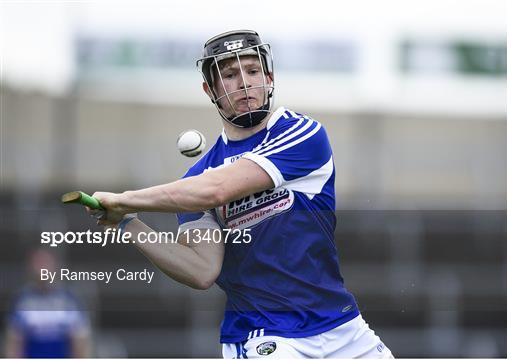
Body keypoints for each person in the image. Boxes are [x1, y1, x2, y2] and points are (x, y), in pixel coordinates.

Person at [90, 29, 393, 358]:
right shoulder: (196, 178)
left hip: (343, 328)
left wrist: (123, 199)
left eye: (252, 71)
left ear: (269, 77)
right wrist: (127, 222)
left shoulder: (301, 134)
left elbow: (217, 190)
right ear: (211, 89)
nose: (245, 83)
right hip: (263, 335)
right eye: (230, 75)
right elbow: (201, 270)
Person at [5, 249, 92, 358]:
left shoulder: (69, 301)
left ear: (54, 266)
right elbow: (14, 343)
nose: (42, 268)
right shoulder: (22, 301)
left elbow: (80, 342)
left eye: (46, 263)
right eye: (38, 263)